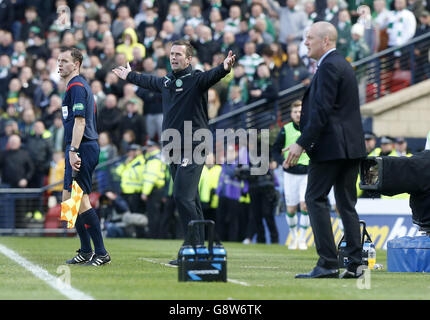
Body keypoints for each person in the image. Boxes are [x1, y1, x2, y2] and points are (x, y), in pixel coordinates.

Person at [113, 40, 235, 264]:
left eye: (179, 54)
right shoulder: (167, 81)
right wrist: (130, 76)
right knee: (191, 199)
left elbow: (213, 75)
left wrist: (224, 67)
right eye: (171, 53)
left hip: (194, 144)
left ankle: (194, 247)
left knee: (181, 195)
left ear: (189, 59)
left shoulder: (196, 79)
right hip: (172, 147)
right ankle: (201, 247)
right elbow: (149, 81)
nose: (174, 57)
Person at [284, 22, 367, 279]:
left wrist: (301, 143)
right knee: (345, 205)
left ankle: (328, 263)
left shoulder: (330, 66)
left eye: (309, 38)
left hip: (332, 148)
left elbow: (322, 111)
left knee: (315, 199)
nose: (305, 42)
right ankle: (354, 264)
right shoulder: (341, 64)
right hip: (350, 148)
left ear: (326, 41)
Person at [58, 47, 111, 266]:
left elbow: (80, 121)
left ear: (76, 64)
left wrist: (73, 150)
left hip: (82, 146)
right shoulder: (72, 86)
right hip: (77, 145)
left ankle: (101, 253)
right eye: (59, 60)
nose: (59, 64)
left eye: (64, 61)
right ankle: (86, 250)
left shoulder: (77, 86)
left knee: (81, 201)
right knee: (67, 202)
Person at [272, 100, 310, 250]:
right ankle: (293, 236)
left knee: (304, 205)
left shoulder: (309, 129)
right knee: (291, 209)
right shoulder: (285, 130)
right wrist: (282, 162)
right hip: (290, 174)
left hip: (306, 172)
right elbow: (275, 150)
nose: (298, 114)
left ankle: (302, 238)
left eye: (300, 112)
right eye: (295, 112)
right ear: (291, 113)